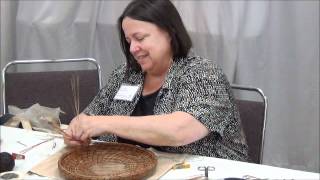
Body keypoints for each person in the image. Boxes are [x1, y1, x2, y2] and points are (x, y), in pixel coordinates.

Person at [64, 0, 248, 161]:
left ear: (169, 32)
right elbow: (88, 117)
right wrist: (77, 131)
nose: (133, 49)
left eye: (140, 38)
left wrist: (103, 123)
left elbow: (180, 131)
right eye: (129, 41)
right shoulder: (125, 75)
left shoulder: (203, 74)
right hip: (127, 170)